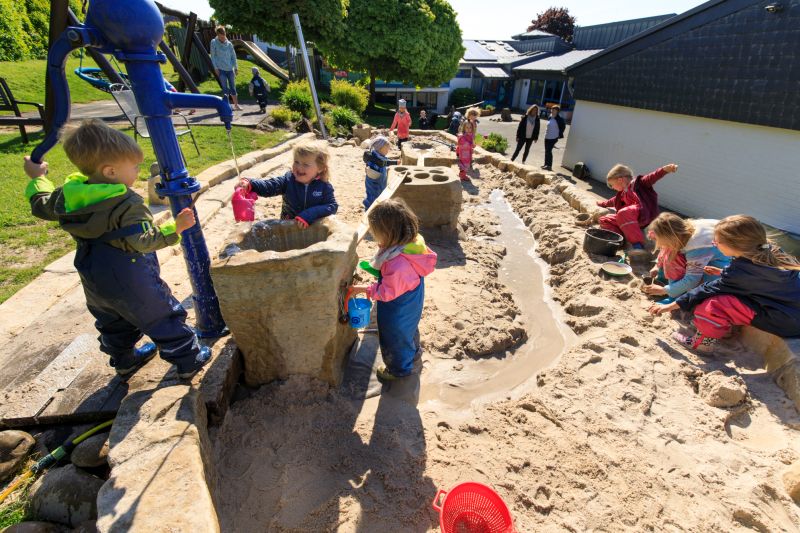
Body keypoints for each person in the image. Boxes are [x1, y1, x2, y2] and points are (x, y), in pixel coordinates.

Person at [23, 119, 210, 379]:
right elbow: (143, 241)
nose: (137, 171)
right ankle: (189, 360)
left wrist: (38, 178)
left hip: (93, 275)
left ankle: (125, 361)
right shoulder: (127, 203)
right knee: (160, 313)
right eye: (134, 167)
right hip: (130, 275)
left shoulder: (68, 195)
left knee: (113, 321)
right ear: (110, 171)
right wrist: (175, 228)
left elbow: (40, 204)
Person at [649, 215, 800, 353]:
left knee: (713, 305)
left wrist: (671, 305)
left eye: (717, 242)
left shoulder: (738, 272)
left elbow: (706, 290)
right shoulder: (772, 251)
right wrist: (723, 273)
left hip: (786, 321)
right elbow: (760, 279)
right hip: (790, 309)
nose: (714, 244)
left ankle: (701, 343)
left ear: (733, 245)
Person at [350, 199, 437, 382]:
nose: (376, 239)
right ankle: (413, 353)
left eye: (377, 234)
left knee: (395, 337)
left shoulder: (397, 265)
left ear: (389, 234)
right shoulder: (412, 244)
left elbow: (386, 293)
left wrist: (364, 289)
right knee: (410, 329)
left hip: (397, 308)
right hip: (412, 299)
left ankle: (398, 370)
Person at [237, 140, 337, 228]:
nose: (299, 167)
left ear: (320, 168)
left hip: (313, 229)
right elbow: (270, 186)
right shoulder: (288, 180)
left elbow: (332, 206)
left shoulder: (324, 187)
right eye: (296, 162)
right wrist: (250, 183)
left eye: (305, 164)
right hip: (288, 228)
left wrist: (309, 215)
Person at [643, 213, 731, 302]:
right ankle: (668, 281)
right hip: (711, 249)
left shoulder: (697, 247)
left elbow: (692, 279)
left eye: (663, 242)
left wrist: (664, 290)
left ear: (671, 238)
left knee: (705, 283)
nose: (662, 245)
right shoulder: (681, 229)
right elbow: (665, 248)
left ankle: (677, 297)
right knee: (671, 252)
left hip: (723, 262)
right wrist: (657, 266)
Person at [596, 163, 679, 252]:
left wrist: (665, 170)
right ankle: (619, 240)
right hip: (629, 219)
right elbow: (612, 201)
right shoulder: (622, 194)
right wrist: (602, 204)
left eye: (612, 185)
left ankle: (637, 245)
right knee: (605, 220)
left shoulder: (639, 184)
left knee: (623, 213)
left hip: (643, 216)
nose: (612, 188)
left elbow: (651, 177)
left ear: (620, 180)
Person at [362, 135, 398, 211]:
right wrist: (395, 162)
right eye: (387, 147)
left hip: (376, 181)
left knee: (375, 196)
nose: (388, 149)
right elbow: (383, 162)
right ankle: (369, 211)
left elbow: (385, 161)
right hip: (375, 183)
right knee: (374, 197)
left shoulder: (376, 154)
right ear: (380, 147)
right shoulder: (377, 159)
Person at [210, 26, 241, 111]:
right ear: (218, 35)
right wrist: (215, 68)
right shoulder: (214, 42)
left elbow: (233, 56)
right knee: (225, 88)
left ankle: (236, 105)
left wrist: (236, 67)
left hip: (230, 69)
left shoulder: (229, 44)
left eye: (223, 36)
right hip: (221, 69)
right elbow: (213, 56)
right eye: (220, 37)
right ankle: (227, 106)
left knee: (233, 87)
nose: (222, 38)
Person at [456, 107, 479, 181]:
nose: (469, 129)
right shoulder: (462, 135)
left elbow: (472, 140)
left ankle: (463, 174)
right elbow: (462, 143)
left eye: (470, 128)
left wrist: (473, 144)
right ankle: (462, 175)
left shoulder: (473, 127)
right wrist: (469, 145)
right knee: (464, 163)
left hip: (468, 151)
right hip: (463, 152)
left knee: (467, 163)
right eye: (467, 128)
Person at [541, 105, 565, 171]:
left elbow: (563, 127)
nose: (552, 110)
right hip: (547, 136)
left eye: (554, 110)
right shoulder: (550, 117)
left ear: (557, 111)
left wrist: (558, 135)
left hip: (553, 137)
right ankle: (546, 164)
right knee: (546, 151)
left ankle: (549, 166)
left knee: (549, 151)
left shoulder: (559, 119)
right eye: (552, 109)